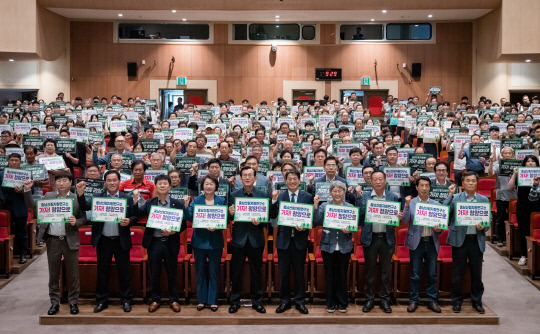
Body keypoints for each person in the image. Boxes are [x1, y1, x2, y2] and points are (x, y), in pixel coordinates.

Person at [23, 172, 87, 315]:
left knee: (73, 274)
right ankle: (54, 302)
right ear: (55, 183)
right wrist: (27, 190)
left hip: (70, 240)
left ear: (70, 182)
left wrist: (76, 222)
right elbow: (33, 208)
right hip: (53, 240)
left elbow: (84, 218)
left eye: (64, 180)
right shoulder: (48, 197)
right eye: (58, 180)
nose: (61, 183)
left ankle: (73, 302)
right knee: (53, 274)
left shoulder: (77, 199)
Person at [79, 170, 139, 313]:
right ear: (105, 182)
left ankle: (126, 300)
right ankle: (101, 300)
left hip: (121, 240)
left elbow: (135, 216)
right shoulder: (97, 197)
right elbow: (84, 207)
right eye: (109, 180)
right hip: (103, 240)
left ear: (119, 182)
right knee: (102, 272)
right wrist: (80, 194)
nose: (112, 183)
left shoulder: (127, 198)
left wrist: (129, 221)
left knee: (124, 272)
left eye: (114, 180)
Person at [134, 174, 189, 313]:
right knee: (155, 273)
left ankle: (174, 300)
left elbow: (183, 225)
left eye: (165, 184)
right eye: (160, 184)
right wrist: (135, 201)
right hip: (155, 243)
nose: (163, 186)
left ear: (170, 186)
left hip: (171, 242)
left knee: (172, 272)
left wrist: (173, 231)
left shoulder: (178, 204)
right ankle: (155, 299)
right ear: (156, 187)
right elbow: (138, 213)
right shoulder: (150, 203)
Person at [444, 172, 490, 314]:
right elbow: (444, 212)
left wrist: (484, 226)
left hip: (476, 240)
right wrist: (450, 195)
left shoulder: (483, 199)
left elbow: (489, 221)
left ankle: (477, 301)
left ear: (477, 183)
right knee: (458, 273)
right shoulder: (456, 198)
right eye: (468, 181)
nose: (470, 183)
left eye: (473, 181)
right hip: (459, 241)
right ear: (463, 184)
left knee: (476, 274)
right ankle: (457, 301)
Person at [269, 169, 313, 314]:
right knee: (284, 273)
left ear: (299, 181)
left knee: (299, 273)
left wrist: (304, 226)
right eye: (290, 179)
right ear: (285, 181)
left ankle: (300, 302)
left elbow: (310, 217)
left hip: (299, 240)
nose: (292, 181)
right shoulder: (280, 196)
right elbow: (273, 215)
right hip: (283, 240)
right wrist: (274, 201)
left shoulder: (307, 196)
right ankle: (284, 301)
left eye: (295, 179)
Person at [357, 170, 400, 313]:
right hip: (371, 238)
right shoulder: (364, 197)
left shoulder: (393, 197)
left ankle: (385, 300)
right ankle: (369, 300)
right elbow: (360, 218)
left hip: (386, 239)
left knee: (386, 272)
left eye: (380, 179)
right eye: (375, 179)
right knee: (369, 272)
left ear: (385, 180)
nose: (378, 182)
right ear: (371, 181)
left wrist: (398, 216)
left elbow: (396, 220)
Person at [228, 166, 267, 314]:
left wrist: (261, 222)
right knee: (236, 272)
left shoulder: (263, 195)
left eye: (250, 175)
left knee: (256, 271)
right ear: (240, 178)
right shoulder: (234, 195)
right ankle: (234, 301)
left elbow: (267, 218)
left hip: (256, 239)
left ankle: (257, 301)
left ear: (255, 178)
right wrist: (230, 214)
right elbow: (229, 217)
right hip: (239, 239)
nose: (247, 178)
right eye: (244, 175)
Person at [185, 175, 226, 312]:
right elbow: (189, 217)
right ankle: (202, 300)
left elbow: (225, 221)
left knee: (214, 271)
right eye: (206, 184)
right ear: (202, 186)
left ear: (216, 186)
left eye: (211, 184)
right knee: (200, 271)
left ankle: (213, 301)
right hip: (199, 241)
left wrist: (218, 226)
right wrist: (186, 206)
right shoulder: (196, 200)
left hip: (215, 242)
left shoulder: (221, 200)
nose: (208, 186)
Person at [401, 177, 442, 313]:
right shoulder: (410, 203)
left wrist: (439, 229)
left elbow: (441, 226)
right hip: (416, 242)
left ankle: (432, 300)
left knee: (432, 274)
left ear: (430, 188)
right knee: (415, 274)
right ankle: (413, 300)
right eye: (421, 186)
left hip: (431, 241)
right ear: (417, 188)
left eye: (427, 186)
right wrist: (406, 206)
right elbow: (405, 221)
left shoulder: (436, 204)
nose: (424, 188)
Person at [313, 180, 353, 313]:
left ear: (344, 192)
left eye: (340, 191)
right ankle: (330, 303)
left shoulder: (350, 207)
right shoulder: (324, 206)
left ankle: (342, 302)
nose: (337, 193)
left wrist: (350, 230)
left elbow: (354, 225)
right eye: (334, 191)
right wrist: (315, 206)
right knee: (329, 275)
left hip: (344, 245)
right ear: (330, 192)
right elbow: (317, 221)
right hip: (327, 245)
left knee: (342, 275)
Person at [508, 155, 540, 266]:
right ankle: (523, 255)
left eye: (533, 161)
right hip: (523, 206)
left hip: (538, 206)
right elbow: (510, 187)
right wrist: (515, 174)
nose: (530, 163)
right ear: (524, 163)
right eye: (528, 161)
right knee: (523, 230)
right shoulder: (520, 174)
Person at [0, 153, 30, 263]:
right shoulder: (1, 174)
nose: (13, 162)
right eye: (11, 160)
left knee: (21, 232)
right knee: (7, 232)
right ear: (8, 162)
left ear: (20, 162)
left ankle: (23, 254)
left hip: (20, 207)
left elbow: (30, 192)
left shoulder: (26, 175)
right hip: (5, 208)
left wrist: (22, 191)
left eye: (16, 160)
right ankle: (7, 257)